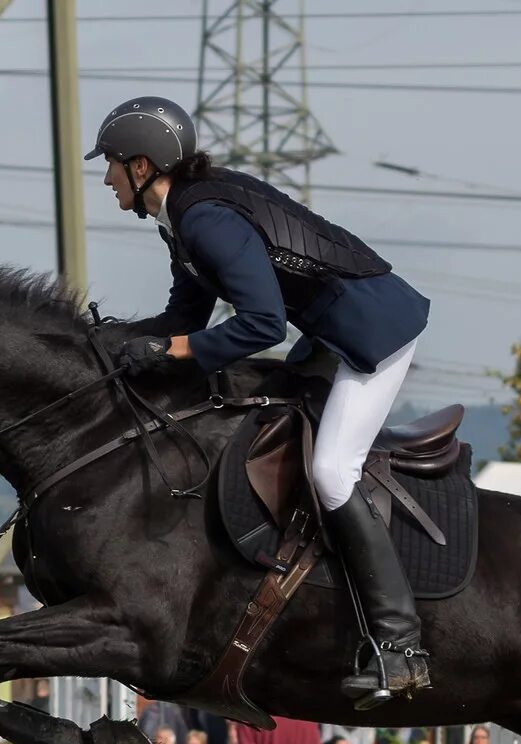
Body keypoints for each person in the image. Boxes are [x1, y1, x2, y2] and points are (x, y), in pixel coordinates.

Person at [89, 95, 435, 706]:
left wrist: (167, 353)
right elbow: (184, 317)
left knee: (332, 472)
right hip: (329, 331)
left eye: (111, 164)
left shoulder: (206, 221)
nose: (106, 176)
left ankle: (400, 646)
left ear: (141, 167)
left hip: (373, 335)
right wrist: (114, 342)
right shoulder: (183, 219)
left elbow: (262, 326)